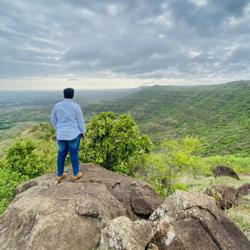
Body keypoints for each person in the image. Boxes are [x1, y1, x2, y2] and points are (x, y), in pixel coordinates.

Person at [51, 88, 86, 182]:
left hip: (61, 135)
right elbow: (80, 121)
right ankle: (76, 174)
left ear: (64, 94)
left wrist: (58, 128)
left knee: (61, 154)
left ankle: (59, 175)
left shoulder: (57, 106)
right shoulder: (76, 106)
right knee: (74, 154)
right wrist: (83, 132)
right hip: (73, 134)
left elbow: (53, 119)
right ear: (73, 95)